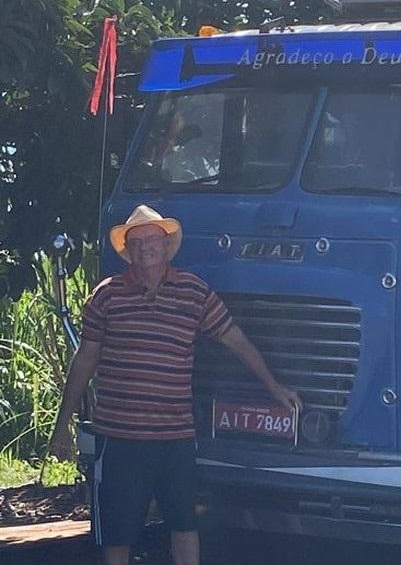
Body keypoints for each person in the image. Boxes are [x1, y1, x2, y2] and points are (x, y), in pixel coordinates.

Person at [49, 205, 302, 565]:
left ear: (166, 245)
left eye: (151, 241)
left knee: (184, 524)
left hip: (175, 437)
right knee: (117, 533)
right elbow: (84, 361)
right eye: (135, 244)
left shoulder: (193, 292)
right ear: (127, 251)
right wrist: (62, 424)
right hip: (120, 438)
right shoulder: (107, 295)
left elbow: (236, 341)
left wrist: (274, 387)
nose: (144, 249)